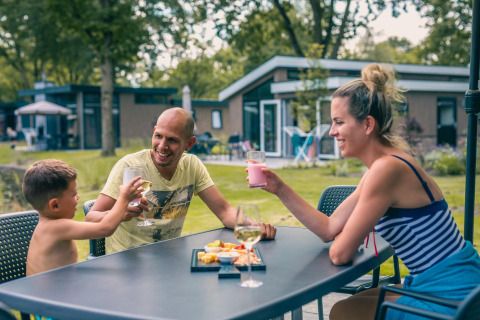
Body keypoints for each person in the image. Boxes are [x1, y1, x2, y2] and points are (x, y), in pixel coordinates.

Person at [257, 64, 480, 319]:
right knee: (349, 305)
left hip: (450, 296)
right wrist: (280, 188)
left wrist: (349, 240)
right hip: (447, 282)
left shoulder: (387, 169)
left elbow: (339, 254)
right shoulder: (383, 166)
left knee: (344, 312)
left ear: (367, 124)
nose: (332, 132)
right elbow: (329, 228)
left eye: (339, 122)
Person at [86, 107, 276, 253]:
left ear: (189, 144)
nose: (162, 146)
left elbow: (225, 211)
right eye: (158, 136)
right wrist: (119, 213)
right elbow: (90, 218)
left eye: (172, 140)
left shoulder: (192, 166)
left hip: (169, 259)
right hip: (127, 260)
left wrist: (253, 228)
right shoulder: (129, 166)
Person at [24, 159, 144, 276]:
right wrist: (123, 198)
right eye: (74, 194)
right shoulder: (57, 227)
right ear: (55, 205)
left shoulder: (47, 225)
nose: (78, 197)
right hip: (50, 295)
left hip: (58, 290)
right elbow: (105, 229)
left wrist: (120, 213)